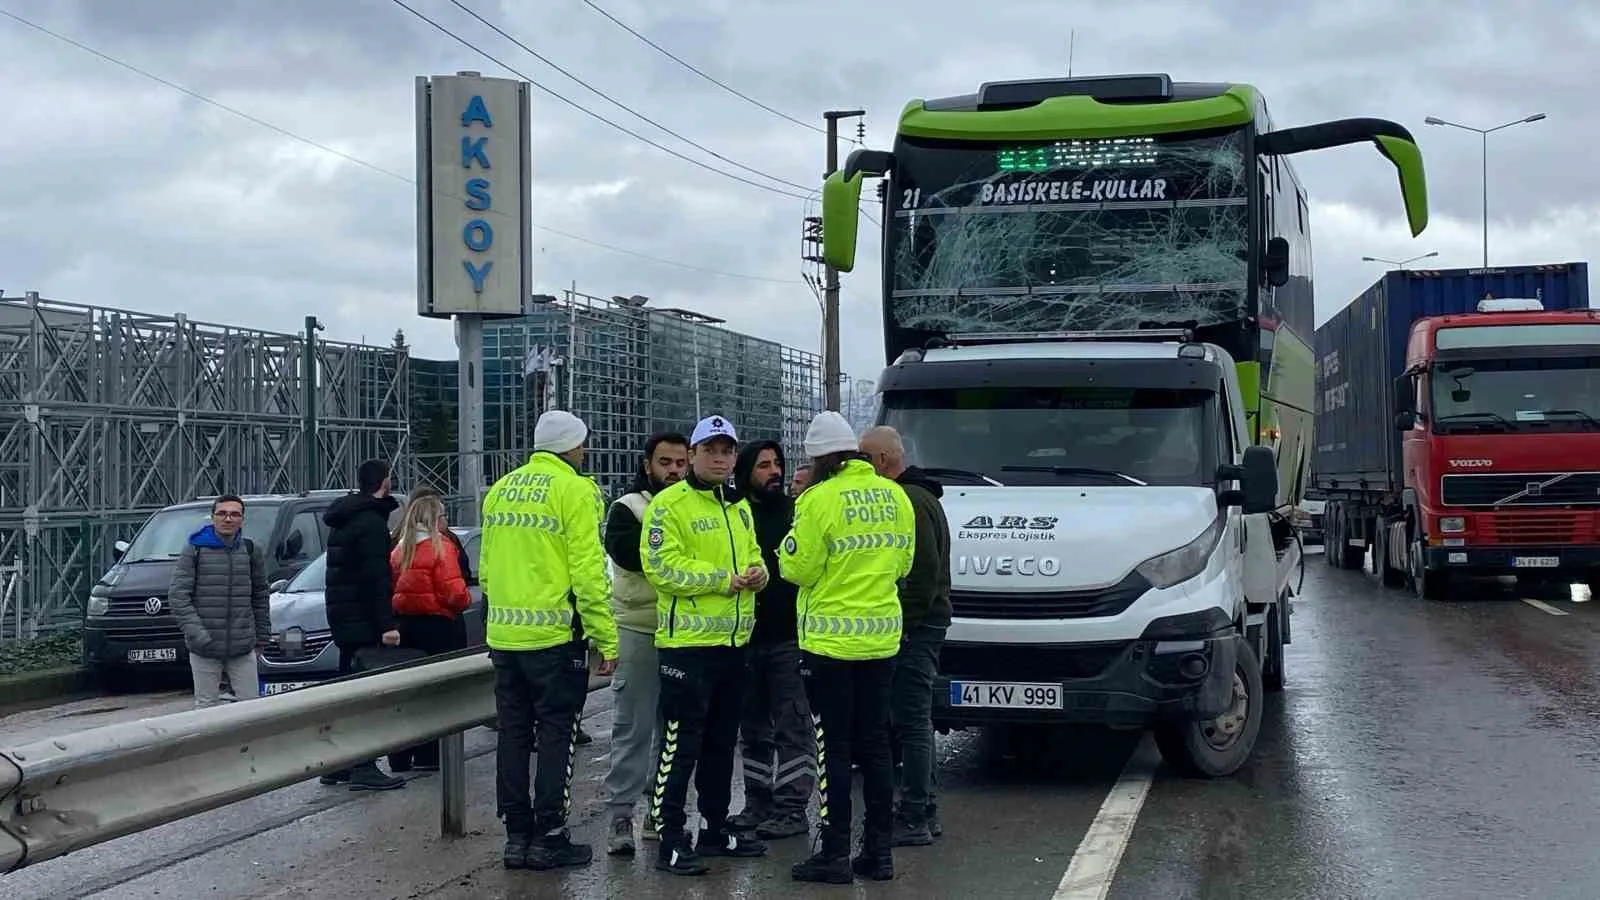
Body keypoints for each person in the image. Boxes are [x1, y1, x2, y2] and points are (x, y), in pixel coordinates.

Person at [779, 411, 915, 884]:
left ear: (819, 459)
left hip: (830, 646)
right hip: (881, 641)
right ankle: (878, 853)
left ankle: (833, 853)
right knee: (876, 747)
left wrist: (788, 549)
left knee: (833, 749)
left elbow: (799, 570)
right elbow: (903, 565)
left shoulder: (818, 499)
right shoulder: (894, 495)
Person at [481, 410, 619, 871]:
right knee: (557, 734)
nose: (585, 452)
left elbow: (485, 569)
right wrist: (606, 637)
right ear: (572, 446)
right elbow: (588, 571)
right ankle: (550, 835)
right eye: (583, 444)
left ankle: (516, 837)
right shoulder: (576, 489)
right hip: (555, 637)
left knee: (514, 735)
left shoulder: (501, 490)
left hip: (504, 635)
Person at [642, 414, 769, 876]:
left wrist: (759, 575)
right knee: (680, 745)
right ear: (692, 454)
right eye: (711, 450)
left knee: (720, 744)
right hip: (687, 648)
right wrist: (723, 581)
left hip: (733, 645)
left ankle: (715, 828)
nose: (720, 458)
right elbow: (662, 568)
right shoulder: (669, 505)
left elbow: (755, 558)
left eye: (727, 450)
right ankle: (669, 837)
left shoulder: (738, 508)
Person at [860, 425, 952, 845]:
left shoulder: (909, 501)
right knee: (915, 717)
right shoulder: (922, 496)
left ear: (882, 460)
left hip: (915, 627)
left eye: (864, 459)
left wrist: (902, 627)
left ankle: (915, 812)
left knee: (912, 719)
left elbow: (922, 575)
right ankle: (923, 807)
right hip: (924, 624)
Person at [601, 431, 689, 856]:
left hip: (687, 633)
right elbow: (635, 557)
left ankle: (662, 810)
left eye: (679, 463)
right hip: (638, 630)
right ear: (647, 464)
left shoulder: (698, 507)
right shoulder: (627, 508)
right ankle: (621, 814)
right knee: (633, 727)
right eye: (665, 462)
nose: (673, 470)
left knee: (674, 729)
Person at [728, 439, 815, 840]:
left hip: (788, 639)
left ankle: (792, 808)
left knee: (793, 726)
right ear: (746, 472)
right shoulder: (734, 515)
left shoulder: (795, 513)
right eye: (764, 466)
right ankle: (757, 801)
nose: (774, 472)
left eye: (777, 464)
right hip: (745, 638)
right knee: (754, 729)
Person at [320, 459, 405, 792]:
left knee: (348, 692)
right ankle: (363, 765)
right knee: (367, 695)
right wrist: (387, 623)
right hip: (364, 623)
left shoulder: (345, 517)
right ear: (384, 483)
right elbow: (375, 578)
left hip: (344, 619)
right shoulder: (370, 522)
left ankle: (340, 762)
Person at [384, 493, 473, 772]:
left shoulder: (400, 549)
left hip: (408, 626)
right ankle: (432, 754)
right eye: (443, 515)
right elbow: (453, 592)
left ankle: (405, 753)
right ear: (435, 519)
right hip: (440, 626)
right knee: (442, 694)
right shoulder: (441, 547)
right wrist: (466, 600)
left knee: (414, 694)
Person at [167, 494, 270, 708]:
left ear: (242, 519)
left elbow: (260, 595)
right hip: (205, 647)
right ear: (212, 517)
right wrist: (197, 634)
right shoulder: (195, 549)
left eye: (235, 514)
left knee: (252, 708)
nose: (228, 519)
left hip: (242, 645)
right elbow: (178, 596)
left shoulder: (251, 550)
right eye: (222, 513)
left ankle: (247, 743)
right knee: (206, 707)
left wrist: (262, 636)